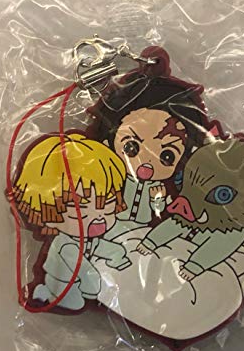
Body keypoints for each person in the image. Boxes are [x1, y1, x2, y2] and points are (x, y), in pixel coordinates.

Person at [86, 47, 210, 241]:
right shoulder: (114, 179)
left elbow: (160, 211)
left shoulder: (160, 187)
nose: (146, 163)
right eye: (131, 147)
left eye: (167, 156)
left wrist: (156, 200)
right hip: (112, 226)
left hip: (144, 230)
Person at [12, 132, 130, 310]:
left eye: (106, 203)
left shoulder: (86, 239)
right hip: (62, 284)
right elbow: (83, 269)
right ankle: (45, 292)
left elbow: (99, 246)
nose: (98, 216)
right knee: (75, 304)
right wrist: (95, 288)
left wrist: (118, 253)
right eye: (80, 208)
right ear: (47, 212)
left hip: (82, 281)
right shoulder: (66, 245)